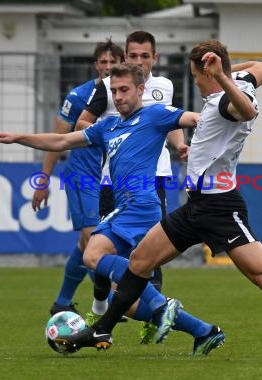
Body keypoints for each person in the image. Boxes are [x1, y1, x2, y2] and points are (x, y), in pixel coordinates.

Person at [62, 40, 262, 362]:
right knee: (139, 262)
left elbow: (246, 111)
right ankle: (104, 328)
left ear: (206, 73)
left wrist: (221, 77)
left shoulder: (224, 100)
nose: (195, 82)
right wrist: (227, 71)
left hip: (221, 209)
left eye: (195, 76)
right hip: (195, 207)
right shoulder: (242, 81)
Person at [0, 63, 223, 355]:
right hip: (123, 207)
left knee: (93, 254)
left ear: (140, 90)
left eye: (124, 89)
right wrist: (17, 137)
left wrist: (229, 114)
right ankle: (204, 331)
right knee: (128, 302)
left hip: (142, 206)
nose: (118, 96)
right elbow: (61, 140)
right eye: (113, 91)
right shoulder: (108, 126)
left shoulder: (155, 115)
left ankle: (163, 305)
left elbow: (197, 118)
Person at [75, 30, 187, 334]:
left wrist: (179, 146)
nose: (140, 60)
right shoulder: (110, 86)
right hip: (113, 181)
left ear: (155, 58)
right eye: (134, 55)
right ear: (126, 57)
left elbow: (172, 121)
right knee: (100, 249)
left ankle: (155, 315)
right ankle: (100, 302)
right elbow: (82, 123)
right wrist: (108, 134)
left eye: (145, 56)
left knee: (151, 248)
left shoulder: (164, 86)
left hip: (155, 177)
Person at [30, 39, 124, 317]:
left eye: (113, 62)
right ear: (96, 65)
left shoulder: (125, 97)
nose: (107, 67)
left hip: (112, 179)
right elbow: (57, 139)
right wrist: (43, 180)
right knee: (92, 239)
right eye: (103, 62)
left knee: (89, 244)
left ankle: (63, 301)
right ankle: (107, 302)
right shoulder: (78, 97)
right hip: (82, 176)